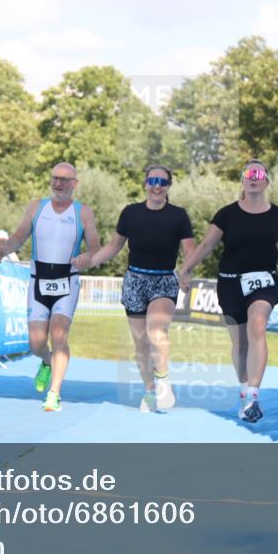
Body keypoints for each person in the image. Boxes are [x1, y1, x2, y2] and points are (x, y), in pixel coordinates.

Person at [177, 159, 278, 423]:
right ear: (242, 180)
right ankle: (244, 391)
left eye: (259, 173)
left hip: (263, 281)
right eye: (249, 173)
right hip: (230, 283)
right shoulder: (226, 214)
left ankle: (253, 394)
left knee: (258, 325)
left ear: (266, 181)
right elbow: (206, 245)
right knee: (239, 344)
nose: (254, 177)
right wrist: (185, 270)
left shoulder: (277, 215)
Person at [72, 164, 194, 412]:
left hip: (163, 281)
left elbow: (189, 250)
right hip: (135, 281)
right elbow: (114, 246)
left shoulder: (179, 215)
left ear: (168, 186)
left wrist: (186, 272)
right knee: (140, 342)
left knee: (156, 332)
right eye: (152, 180)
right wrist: (89, 261)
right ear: (145, 184)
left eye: (162, 181)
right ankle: (149, 391)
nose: (156, 186)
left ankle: (163, 382)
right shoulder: (130, 212)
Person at [0, 163, 100, 412]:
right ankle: (47, 362)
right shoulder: (36, 207)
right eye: (55, 178)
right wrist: (3, 251)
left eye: (65, 179)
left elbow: (95, 246)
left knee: (59, 334)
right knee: (36, 343)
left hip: (67, 280)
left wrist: (87, 257)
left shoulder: (83, 212)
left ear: (75, 183)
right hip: (38, 280)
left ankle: (54, 393)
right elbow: (19, 236)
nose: (59, 183)